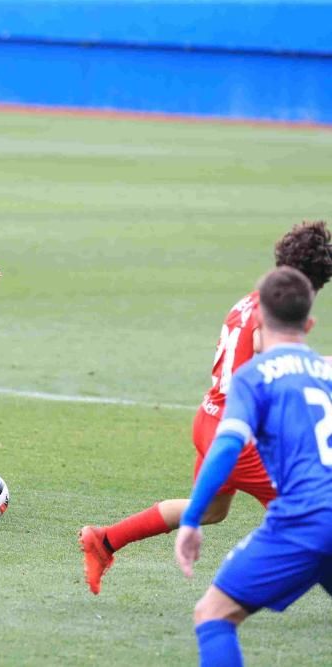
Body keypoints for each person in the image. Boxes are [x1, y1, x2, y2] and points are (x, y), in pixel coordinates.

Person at [79, 221, 332, 594]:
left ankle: (105, 540)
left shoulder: (251, 299)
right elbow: (278, 362)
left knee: (212, 511)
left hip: (208, 420)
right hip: (237, 434)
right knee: (312, 511)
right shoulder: (273, 316)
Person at [174, 266, 332, 667]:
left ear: (257, 318)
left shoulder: (252, 377)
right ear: (310, 323)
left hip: (304, 520)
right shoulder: (328, 371)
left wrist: (192, 520)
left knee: (213, 614)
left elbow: (227, 446)